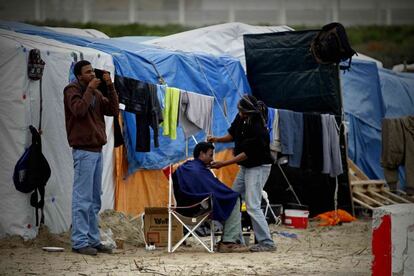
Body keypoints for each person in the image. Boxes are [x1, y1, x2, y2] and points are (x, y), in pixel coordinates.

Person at [64, 60, 119, 255]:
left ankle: (93, 240)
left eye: (92, 72)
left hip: (96, 150)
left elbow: (113, 110)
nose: (92, 75)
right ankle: (79, 242)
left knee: (95, 199)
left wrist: (110, 86)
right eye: (88, 72)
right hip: (83, 150)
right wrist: (89, 89)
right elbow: (78, 110)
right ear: (79, 76)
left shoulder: (95, 92)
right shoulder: (71, 90)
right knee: (82, 199)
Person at [208, 94, 276, 252]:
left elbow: (246, 153)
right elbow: (232, 135)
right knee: (232, 199)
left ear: (249, 112)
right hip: (246, 167)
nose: (239, 113)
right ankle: (235, 238)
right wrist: (216, 139)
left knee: (252, 205)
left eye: (242, 111)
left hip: (258, 167)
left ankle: (267, 242)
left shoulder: (258, 128)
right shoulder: (241, 118)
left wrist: (222, 164)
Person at [173, 142, 248, 253]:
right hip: (198, 207)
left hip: (184, 207)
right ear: (202, 154)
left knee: (228, 201)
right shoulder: (198, 171)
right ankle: (228, 242)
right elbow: (213, 189)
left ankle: (232, 239)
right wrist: (229, 194)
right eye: (210, 155)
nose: (212, 159)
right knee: (234, 199)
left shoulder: (186, 167)